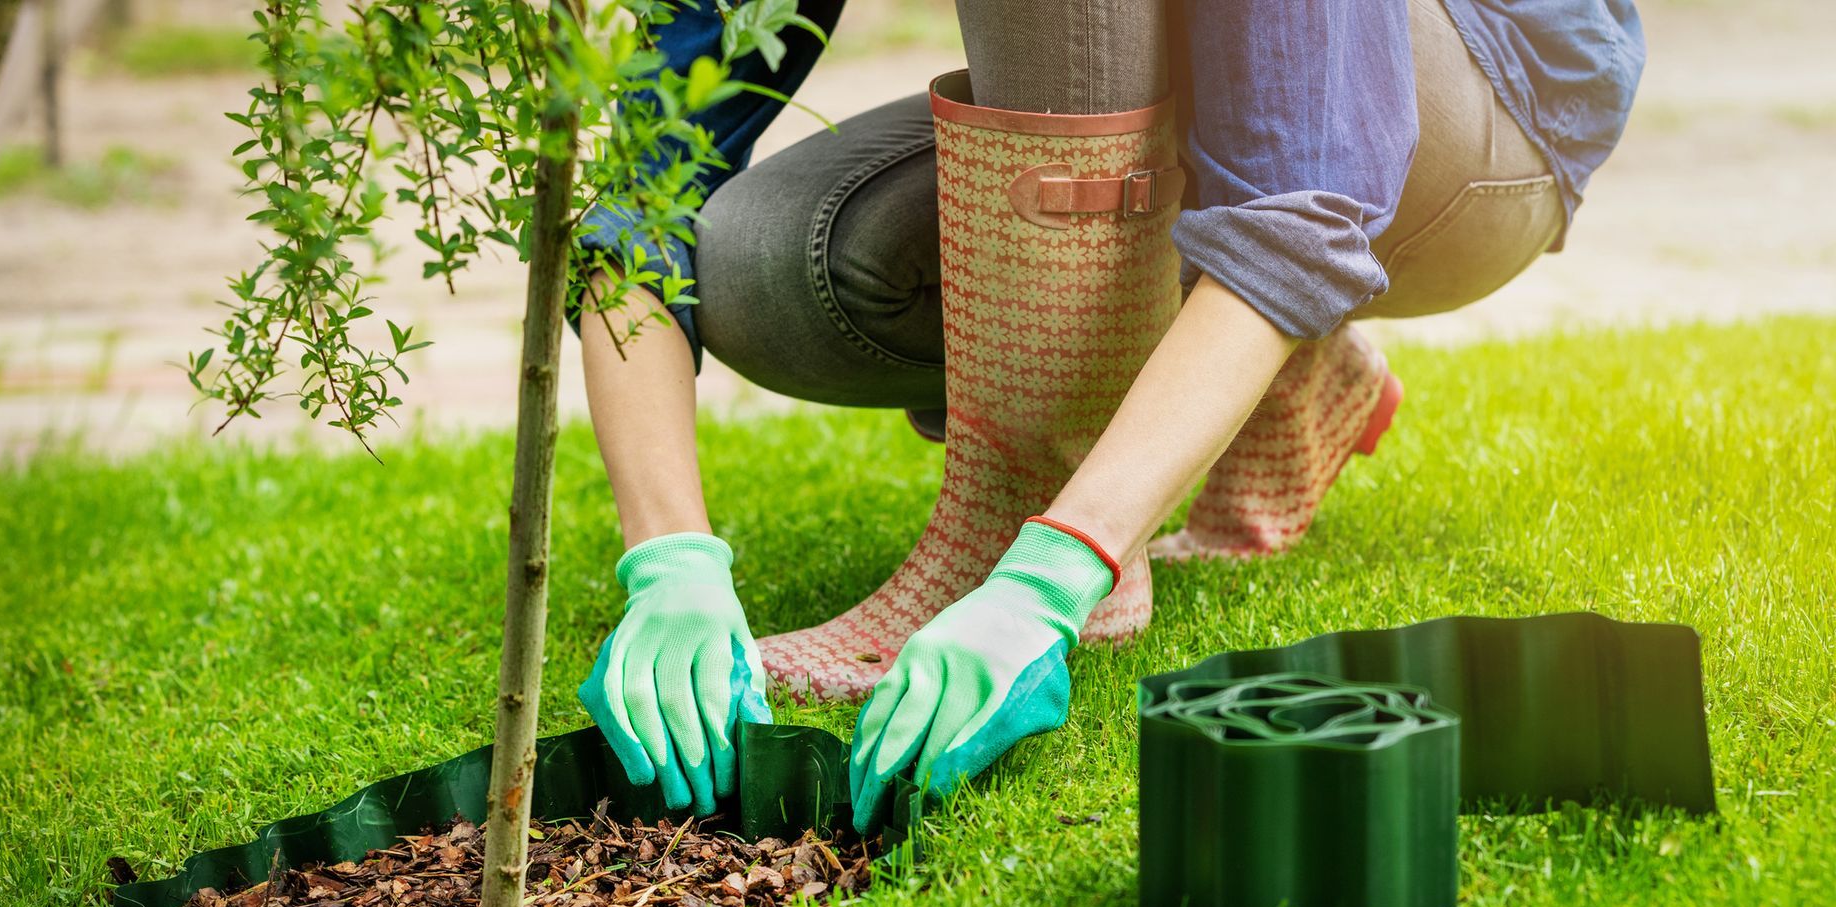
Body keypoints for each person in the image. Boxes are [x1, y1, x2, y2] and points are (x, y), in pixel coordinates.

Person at [574, 0, 1645, 829]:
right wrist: (666, 556)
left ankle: (1031, 505)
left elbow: (1303, 195)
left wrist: (1048, 576)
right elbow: (649, 186)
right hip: (1218, 117)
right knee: (768, 260)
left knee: (1270, 194)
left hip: (1479, 116)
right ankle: (1269, 366)